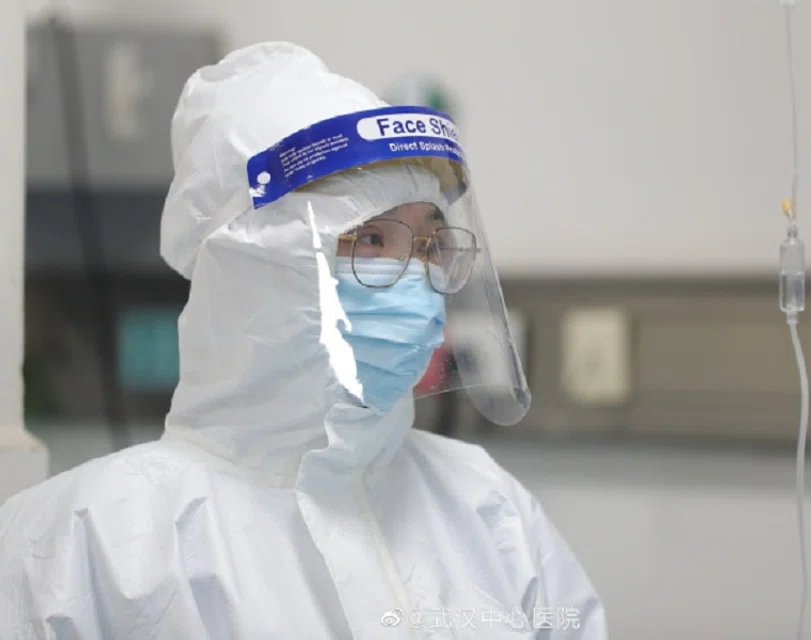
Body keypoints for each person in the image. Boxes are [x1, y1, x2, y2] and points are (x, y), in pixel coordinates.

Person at [0, 42, 606, 638]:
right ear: (252, 267)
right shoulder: (82, 547)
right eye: (370, 240)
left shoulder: (490, 510)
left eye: (429, 243)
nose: (417, 278)